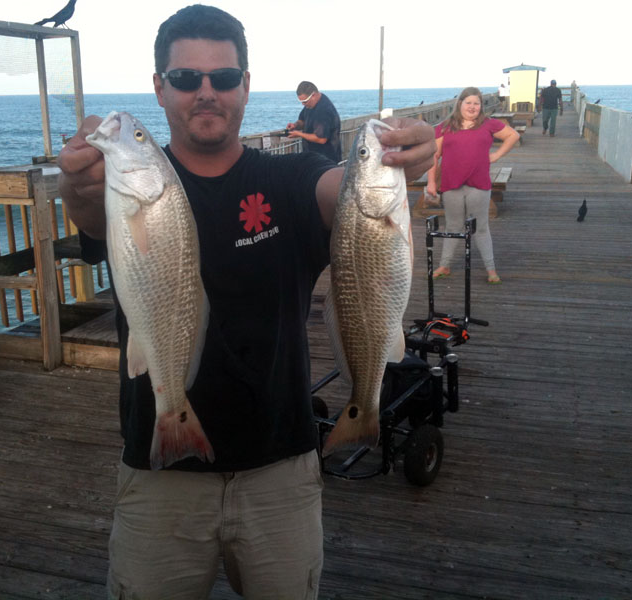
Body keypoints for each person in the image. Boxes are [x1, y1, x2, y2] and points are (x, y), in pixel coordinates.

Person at [57, 5, 435, 599]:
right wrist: (78, 185)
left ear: (246, 86)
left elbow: (339, 190)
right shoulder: (126, 187)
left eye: (224, 78)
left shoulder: (289, 179)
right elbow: (90, 213)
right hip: (160, 470)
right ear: (160, 88)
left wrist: (391, 163)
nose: (206, 92)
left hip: (280, 469)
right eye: (186, 79)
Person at [425, 86, 519, 285]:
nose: (472, 107)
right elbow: (434, 155)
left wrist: (496, 155)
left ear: (481, 107)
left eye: (476, 103)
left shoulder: (488, 124)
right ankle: (445, 265)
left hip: (479, 185)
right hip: (451, 185)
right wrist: (432, 182)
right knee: (452, 226)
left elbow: (513, 136)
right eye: (468, 102)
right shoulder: (445, 126)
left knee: (481, 228)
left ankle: (491, 269)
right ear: (459, 104)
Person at [286, 81, 342, 163]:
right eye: (301, 101)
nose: (303, 104)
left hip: (327, 159)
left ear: (313, 95)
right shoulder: (310, 105)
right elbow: (303, 120)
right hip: (312, 158)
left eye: (304, 101)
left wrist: (298, 134)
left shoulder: (324, 110)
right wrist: (295, 125)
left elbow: (321, 139)